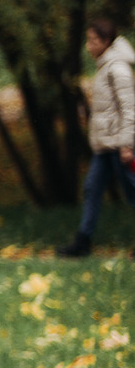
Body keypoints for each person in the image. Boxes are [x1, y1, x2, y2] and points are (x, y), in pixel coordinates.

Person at [57, 17, 135, 258]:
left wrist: (126, 145)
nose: (88, 45)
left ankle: (83, 240)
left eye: (92, 40)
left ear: (105, 41)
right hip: (105, 146)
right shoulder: (106, 66)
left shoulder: (118, 68)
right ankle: (82, 241)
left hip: (119, 145)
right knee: (92, 188)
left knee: (132, 191)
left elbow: (130, 108)